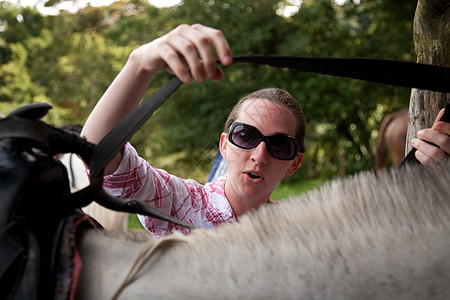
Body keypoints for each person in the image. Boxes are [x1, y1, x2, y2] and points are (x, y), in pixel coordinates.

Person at [81, 24, 450, 238]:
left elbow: (372, 238)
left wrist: (419, 173)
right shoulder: (178, 202)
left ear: (294, 163)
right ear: (224, 145)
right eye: (246, 136)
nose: (259, 155)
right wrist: (139, 65)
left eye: (279, 145)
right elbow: (97, 154)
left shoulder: (298, 228)